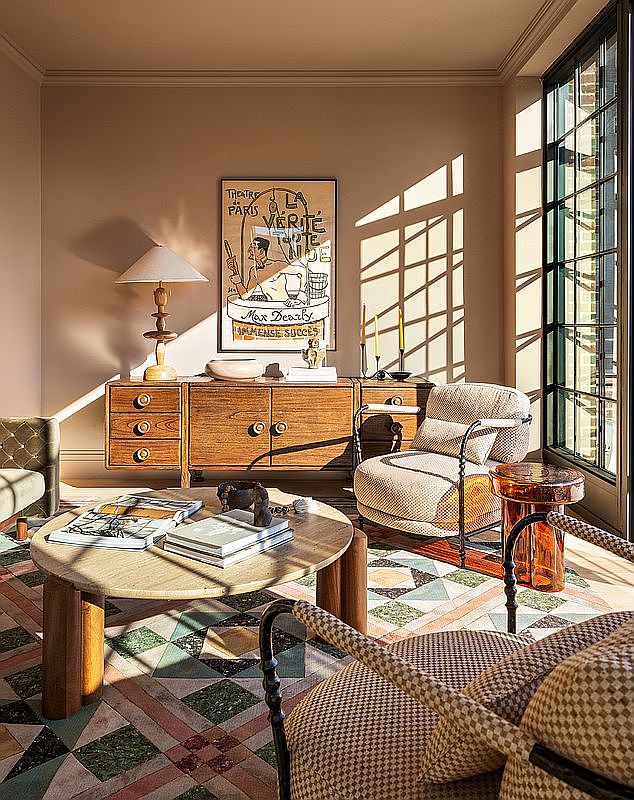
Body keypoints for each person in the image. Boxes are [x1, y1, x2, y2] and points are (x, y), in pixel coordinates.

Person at [226, 236, 307, 306]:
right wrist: (235, 272)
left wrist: (300, 298)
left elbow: (303, 271)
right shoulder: (254, 271)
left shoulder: (277, 265)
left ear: (261, 251)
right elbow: (245, 296)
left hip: (285, 305)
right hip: (270, 307)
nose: (249, 250)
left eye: (253, 246)